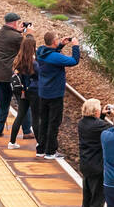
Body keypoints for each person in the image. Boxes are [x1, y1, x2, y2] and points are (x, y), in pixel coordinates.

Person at [34, 31, 80, 159]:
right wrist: (75, 46)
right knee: (54, 122)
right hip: (55, 94)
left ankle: (41, 149)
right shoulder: (55, 57)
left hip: (43, 92)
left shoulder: (40, 51)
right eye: (57, 39)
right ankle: (50, 151)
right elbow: (74, 61)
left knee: (43, 121)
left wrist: (60, 45)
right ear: (53, 42)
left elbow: (50, 52)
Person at [76, 99, 110, 207]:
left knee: (87, 198)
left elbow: (97, 126)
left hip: (86, 165)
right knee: (97, 200)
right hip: (97, 167)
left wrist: (101, 115)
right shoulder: (99, 126)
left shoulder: (82, 123)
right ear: (95, 111)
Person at [0, 12, 26, 139]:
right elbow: (27, 48)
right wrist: (25, 34)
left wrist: (19, 32)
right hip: (13, 76)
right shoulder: (17, 37)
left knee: (3, 103)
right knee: (22, 103)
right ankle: (27, 130)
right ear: (15, 23)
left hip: (0, 74)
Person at [8, 32, 39, 151]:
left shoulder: (18, 60)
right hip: (33, 93)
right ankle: (39, 143)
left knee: (20, 116)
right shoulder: (34, 63)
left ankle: (12, 142)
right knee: (36, 118)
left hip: (22, 93)